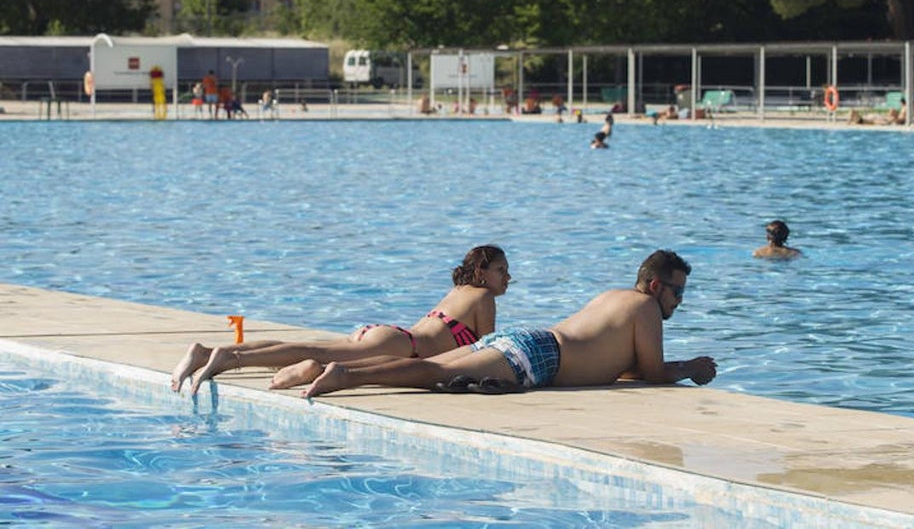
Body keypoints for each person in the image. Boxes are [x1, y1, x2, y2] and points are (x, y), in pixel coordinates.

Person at [289, 249, 716, 398]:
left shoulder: (613, 298)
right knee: (435, 374)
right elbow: (654, 374)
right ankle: (344, 376)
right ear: (656, 285)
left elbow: (628, 369)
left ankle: (322, 368)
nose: (679, 301)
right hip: (539, 356)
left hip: (527, 340)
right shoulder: (644, 308)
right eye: (677, 292)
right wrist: (691, 368)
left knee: (439, 370)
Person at [171, 245, 511, 395]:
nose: (506, 278)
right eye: (500, 270)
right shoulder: (483, 297)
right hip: (399, 346)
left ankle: (209, 352)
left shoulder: (459, 290)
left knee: (306, 348)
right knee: (309, 352)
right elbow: (485, 351)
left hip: (388, 336)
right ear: (481, 272)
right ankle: (231, 358)